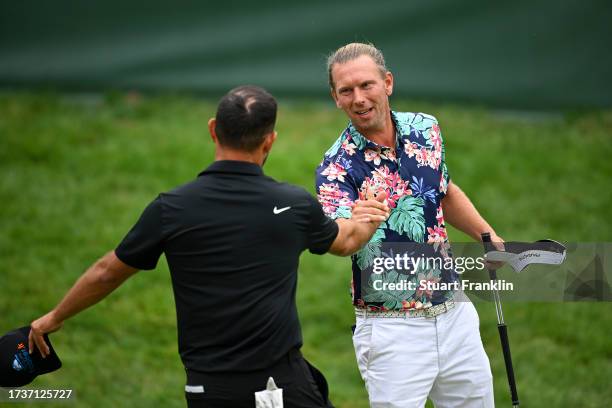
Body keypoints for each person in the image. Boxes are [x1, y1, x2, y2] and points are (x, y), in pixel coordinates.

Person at [28, 85, 390, 408]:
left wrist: (54, 317)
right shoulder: (294, 204)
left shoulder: (170, 209)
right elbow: (345, 242)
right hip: (281, 387)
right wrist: (369, 213)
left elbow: (107, 271)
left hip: (208, 391)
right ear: (270, 141)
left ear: (213, 130)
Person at [315, 43, 504, 407]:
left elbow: (442, 189)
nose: (358, 98)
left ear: (388, 83)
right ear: (336, 98)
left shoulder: (426, 128)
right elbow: (339, 240)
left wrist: (488, 236)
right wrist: (359, 224)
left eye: (366, 85)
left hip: (455, 314)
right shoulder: (335, 166)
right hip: (391, 331)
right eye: (346, 91)